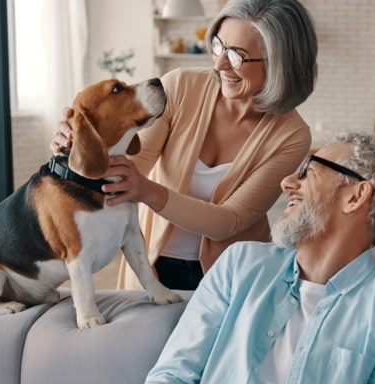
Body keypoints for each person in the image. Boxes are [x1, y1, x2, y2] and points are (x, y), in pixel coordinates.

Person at [51, 0, 318, 290]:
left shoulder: (292, 136)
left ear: (280, 64)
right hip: (150, 264)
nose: (219, 64)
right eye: (218, 46)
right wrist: (78, 143)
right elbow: (127, 167)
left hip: (232, 277)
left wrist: (147, 190)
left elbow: (230, 221)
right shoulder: (180, 86)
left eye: (238, 56)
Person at [144, 132, 375, 384]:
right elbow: (173, 374)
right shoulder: (239, 265)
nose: (287, 182)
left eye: (308, 172)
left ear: (355, 196)